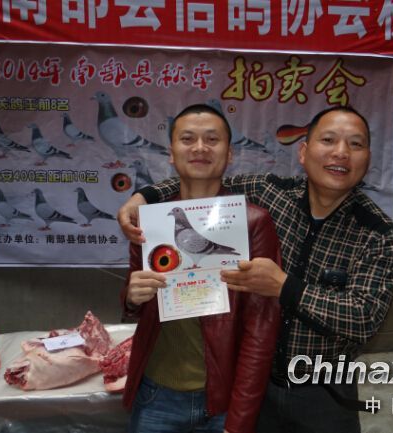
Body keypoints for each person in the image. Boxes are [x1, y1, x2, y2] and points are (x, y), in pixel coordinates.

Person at [119, 106, 393, 433]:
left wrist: (285, 286)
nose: (340, 152)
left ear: (368, 157)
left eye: (355, 144)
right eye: (328, 140)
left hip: (324, 394)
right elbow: (202, 174)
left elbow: (365, 318)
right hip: (258, 387)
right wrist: (144, 195)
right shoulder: (271, 192)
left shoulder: (378, 232)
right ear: (303, 152)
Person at [121, 104, 281, 433]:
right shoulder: (149, 221)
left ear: (229, 154)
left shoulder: (253, 222)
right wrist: (132, 297)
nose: (199, 148)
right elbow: (135, 307)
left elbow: (261, 330)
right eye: (187, 139)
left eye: (212, 139)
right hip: (155, 396)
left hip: (222, 401)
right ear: (171, 153)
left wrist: (239, 419)